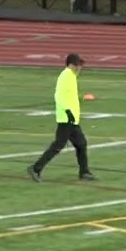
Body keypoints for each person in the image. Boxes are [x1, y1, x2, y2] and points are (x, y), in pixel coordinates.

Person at [27, 53, 95, 182]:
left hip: (71, 119)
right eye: (78, 65)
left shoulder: (71, 76)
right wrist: (68, 112)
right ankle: (35, 169)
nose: (80, 67)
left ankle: (84, 172)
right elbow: (59, 96)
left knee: (81, 143)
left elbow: (68, 96)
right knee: (58, 145)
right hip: (66, 118)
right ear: (71, 64)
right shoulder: (66, 76)